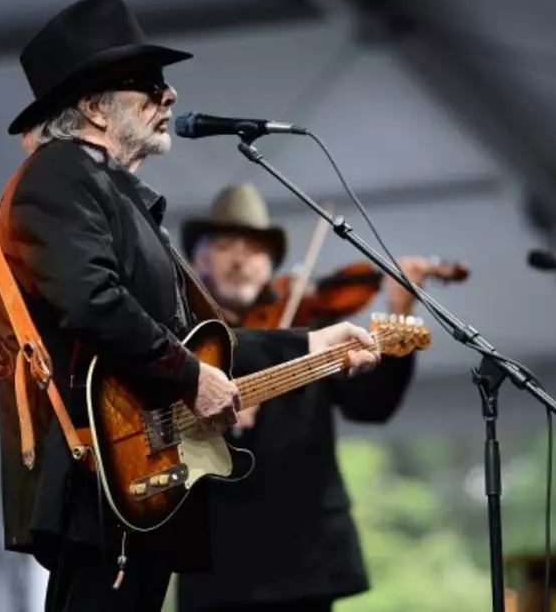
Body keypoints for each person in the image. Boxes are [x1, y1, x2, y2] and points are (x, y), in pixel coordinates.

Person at [0, 0, 382, 612]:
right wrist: (191, 377)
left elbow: (198, 334)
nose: (168, 95)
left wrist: (312, 342)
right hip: (101, 474)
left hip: (139, 477)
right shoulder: (59, 173)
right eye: (146, 83)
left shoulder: (113, 193)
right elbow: (92, 302)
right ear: (93, 107)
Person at [175, 184, 432, 612]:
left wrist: (399, 312)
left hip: (305, 557)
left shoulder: (312, 327)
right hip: (216, 561)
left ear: (271, 265)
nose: (240, 258)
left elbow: (371, 407)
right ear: (200, 260)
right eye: (224, 245)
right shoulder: (180, 334)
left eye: (254, 248)